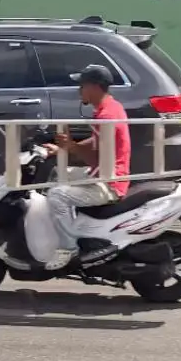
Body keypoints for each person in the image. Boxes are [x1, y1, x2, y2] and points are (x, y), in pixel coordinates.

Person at [43, 64, 132, 270]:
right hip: (105, 174)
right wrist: (61, 150)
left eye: (81, 85)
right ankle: (73, 229)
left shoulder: (106, 116)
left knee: (57, 195)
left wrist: (71, 147)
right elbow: (95, 142)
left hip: (108, 182)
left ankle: (68, 247)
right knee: (57, 174)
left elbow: (97, 157)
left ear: (94, 87)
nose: (79, 90)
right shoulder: (111, 107)